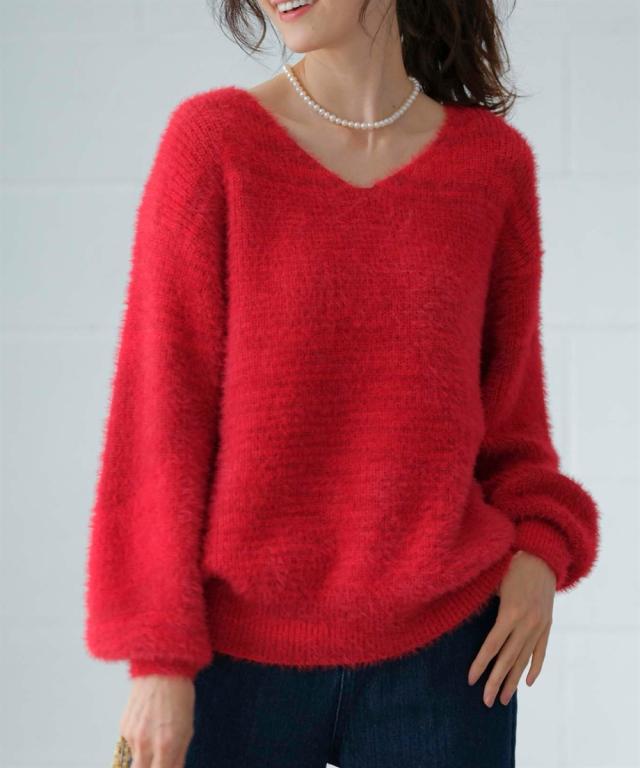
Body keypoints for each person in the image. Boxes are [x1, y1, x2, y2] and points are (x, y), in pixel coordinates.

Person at [84, 0, 601, 766]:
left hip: (447, 659)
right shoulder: (216, 144)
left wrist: (540, 551)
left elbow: (511, 421)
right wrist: (157, 657)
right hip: (237, 663)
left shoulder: (492, 166)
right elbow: (160, 417)